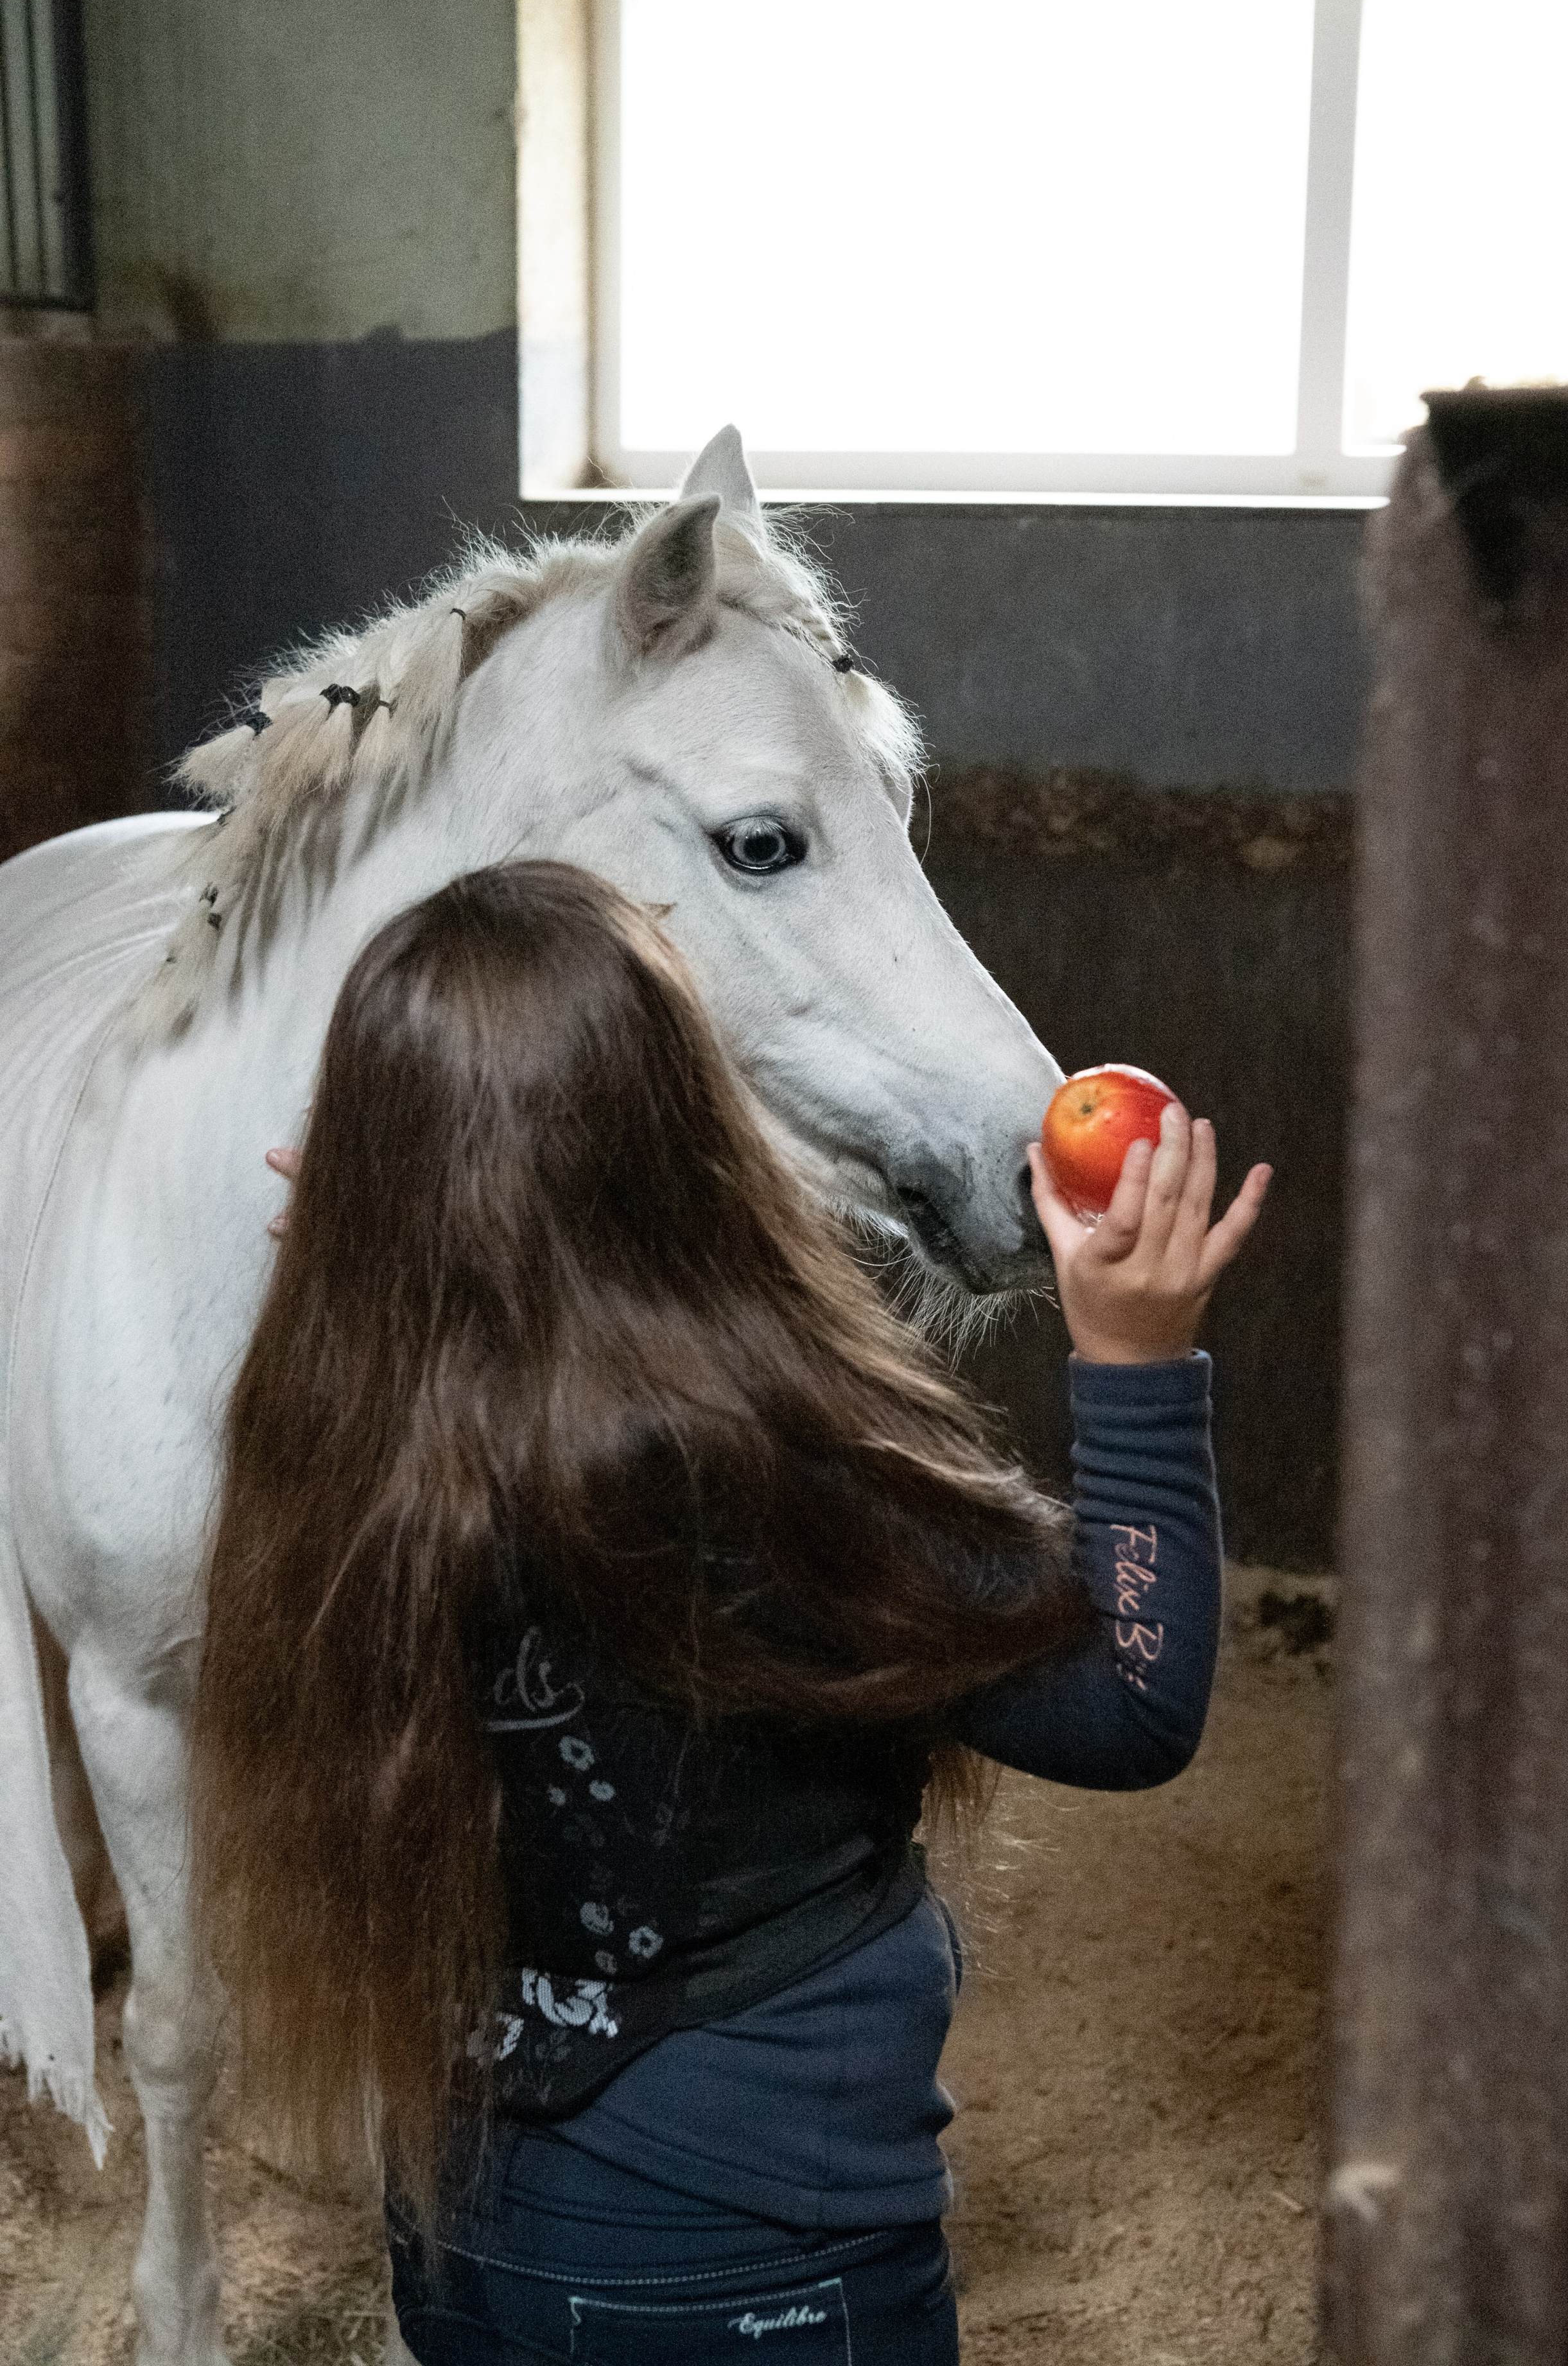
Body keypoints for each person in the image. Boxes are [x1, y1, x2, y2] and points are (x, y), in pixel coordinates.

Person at [189, 860, 1269, 2366]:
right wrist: (1137, 1365)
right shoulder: (765, 1474)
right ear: (679, 1126)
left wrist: (395, 1242)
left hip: (464, 2227)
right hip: (749, 2256)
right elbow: (1126, 1708)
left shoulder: (331, 1426)